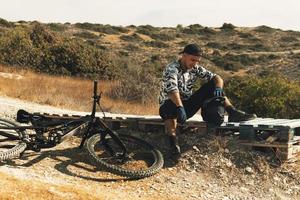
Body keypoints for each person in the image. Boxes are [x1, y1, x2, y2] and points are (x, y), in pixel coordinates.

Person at [159, 43, 256, 157]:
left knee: (213, 85)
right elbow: (172, 90)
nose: (194, 63)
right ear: (184, 55)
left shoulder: (195, 68)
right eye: (192, 60)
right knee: (169, 111)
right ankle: (173, 145)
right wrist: (180, 107)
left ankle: (232, 111)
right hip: (170, 104)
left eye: (197, 61)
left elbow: (217, 77)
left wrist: (218, 89)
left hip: (187, 105)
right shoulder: (172, 69)